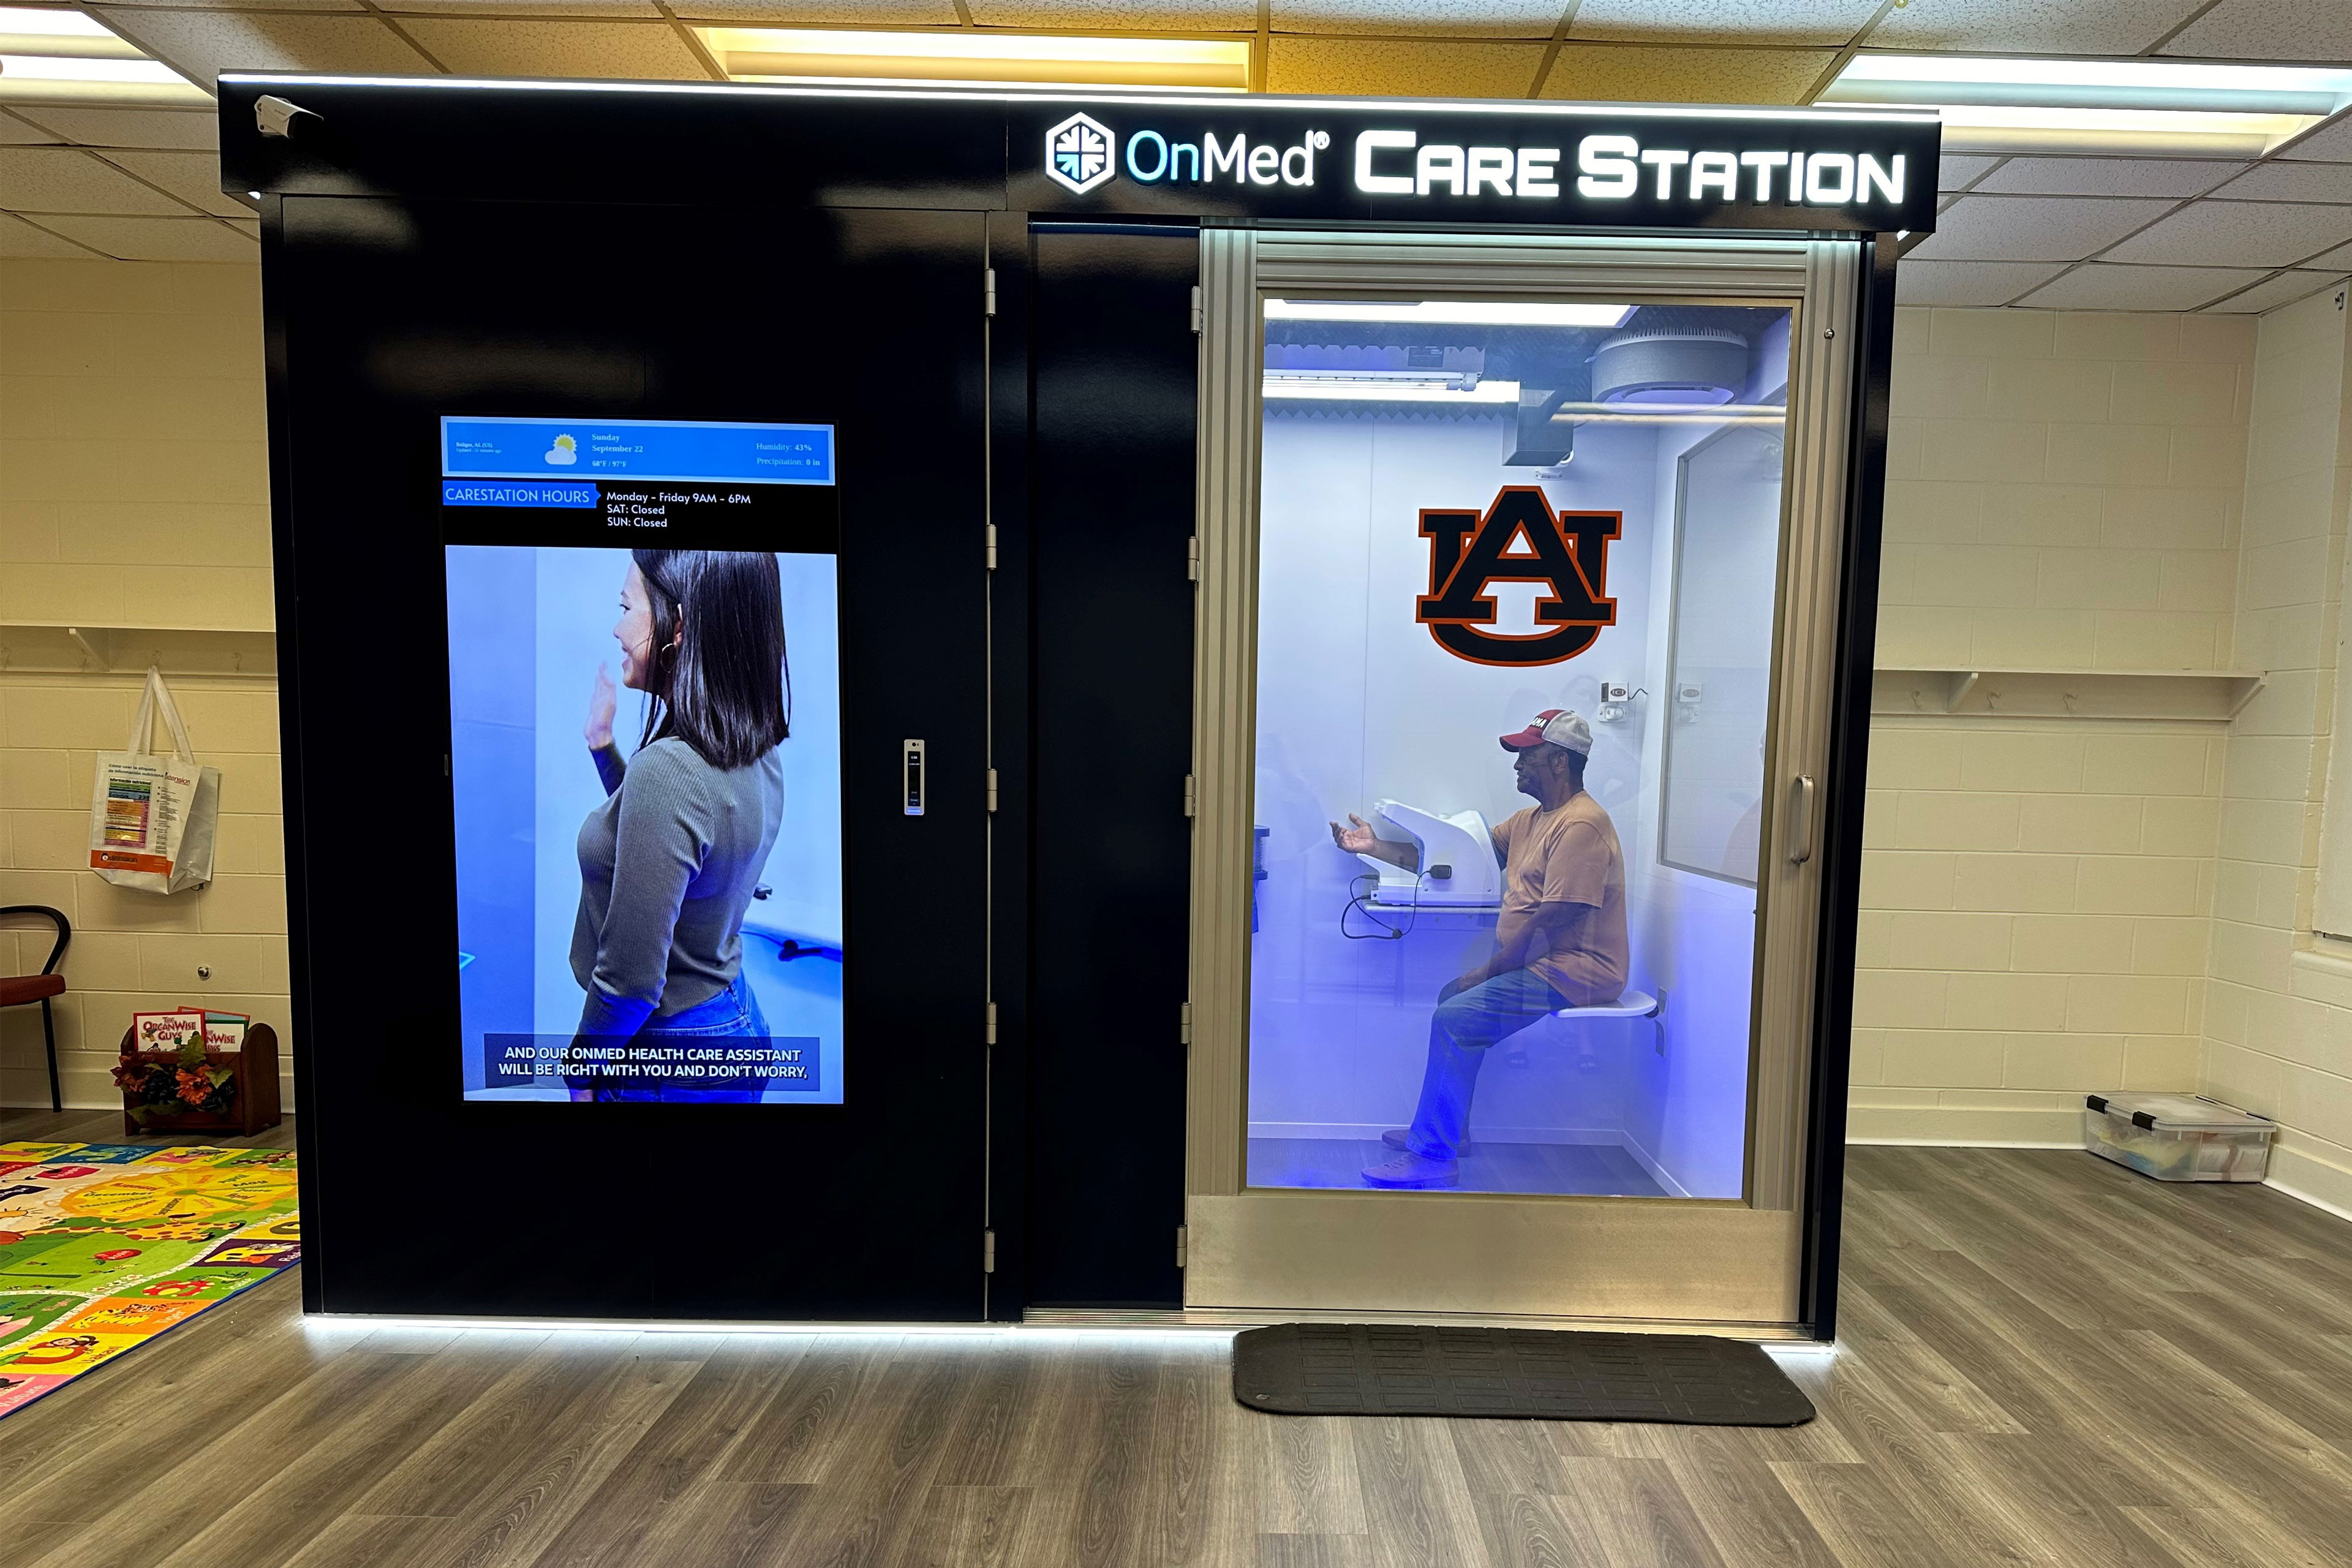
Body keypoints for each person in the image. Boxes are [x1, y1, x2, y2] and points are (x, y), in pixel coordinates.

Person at [1331, 709, 1627, 1189]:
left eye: (1526, 756)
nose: (1516, 766)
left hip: (1578, 971)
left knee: (1457, 1015)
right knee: (1453, 1000)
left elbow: (1554, 922)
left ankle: (1432, 1157)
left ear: (1559, 762)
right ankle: (1449, 1131)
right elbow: (1453, 862)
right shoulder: (1532, 821)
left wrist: (1488, 971)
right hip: (1547, 964)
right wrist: (1373, 847)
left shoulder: (1582, 826)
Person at [565, 549, 790, 1103]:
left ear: (680, 626)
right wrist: (603, 747)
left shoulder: (670, 770)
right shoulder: (754, 745)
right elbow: (666, 835)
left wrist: (578, 1068)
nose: (618, 630)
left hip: (670, 1056)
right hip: (730, 1018)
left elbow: (630, 984)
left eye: (626, 607)